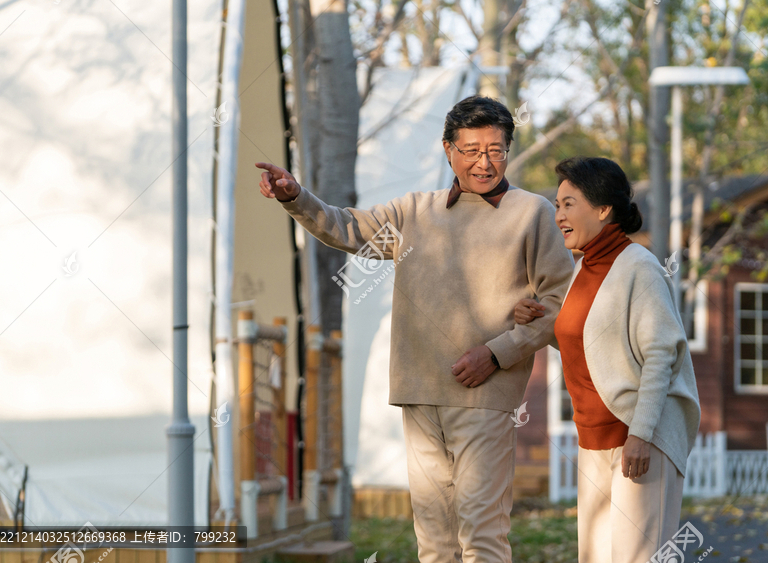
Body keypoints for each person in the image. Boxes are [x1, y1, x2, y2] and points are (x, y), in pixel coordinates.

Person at [255, 95, 574, 563]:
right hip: (419, 393)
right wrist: (295, 197)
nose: (484, 162)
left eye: (496, 149)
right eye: (471, 150)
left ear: (507, 150)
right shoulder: (413, 211)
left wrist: (497, 352)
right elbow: (347, 228)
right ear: (448, 150)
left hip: (485, 394)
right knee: (433, 543)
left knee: (482, 537)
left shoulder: (533, 213)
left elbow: (559, 303)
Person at [513, 156, 701, 563]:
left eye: (568, 204)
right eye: (557, 205)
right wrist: (543, 316)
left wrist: (641, 434)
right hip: (593, 440)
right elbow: (592, 345)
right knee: (595, 557)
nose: (558, 214)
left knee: (637, 557)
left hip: (637, 436)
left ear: (602, 210)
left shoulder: (640, 267)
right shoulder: (582, 269)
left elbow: (660, 354)